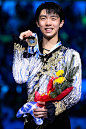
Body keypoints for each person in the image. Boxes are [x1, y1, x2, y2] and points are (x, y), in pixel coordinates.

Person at [13, 2, 82, 129]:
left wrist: (54, 108)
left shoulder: (71, 55)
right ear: (38, 23)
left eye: (53, 18)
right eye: (43, 18)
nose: (48, 23)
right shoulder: (32, 52)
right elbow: (19, 78)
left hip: (57, 120)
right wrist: (20, 49)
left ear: (61, 23)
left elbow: (76, 93)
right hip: (31, 120)